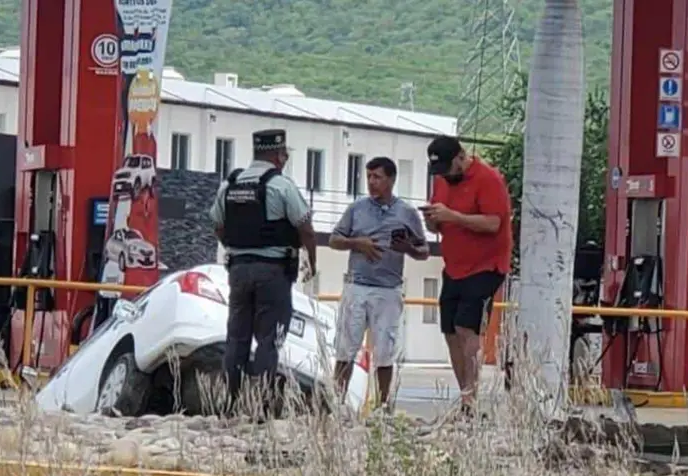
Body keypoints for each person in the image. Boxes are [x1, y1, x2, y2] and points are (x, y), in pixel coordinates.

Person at [208, 129, 317, 419]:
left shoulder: (229, 185)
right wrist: (312, 261)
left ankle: (229, 406)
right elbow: (305, 227)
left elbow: (217, 223)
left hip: (239, 270)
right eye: (285, 154)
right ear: (278, 155)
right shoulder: (281, 186)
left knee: (237, 337)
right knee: (269, 338)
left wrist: (235, 245)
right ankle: (262, 406)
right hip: (274, 271)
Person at [422, 136, 512, 419]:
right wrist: (433, 219)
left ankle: (471, 398)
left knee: (466, 327)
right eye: (440, 172)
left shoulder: (488, 179)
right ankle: (464, 395)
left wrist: (455, 216)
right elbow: (439, 222)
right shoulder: (442, 181)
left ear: (462, 157)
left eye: (449, 168)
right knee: (449, 330)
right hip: (454, 265)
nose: (446, 176)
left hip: (486, 264)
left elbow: (494, 223)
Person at [329, 157, 429, 412]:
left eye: (378, 177)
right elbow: (334, 239)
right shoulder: (357, 209)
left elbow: (424, 250)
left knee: (385, 350)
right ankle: (336, 403)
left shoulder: (406, 213)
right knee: (346, 347)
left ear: (391, 180)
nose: (372, 182)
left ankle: (383, 407)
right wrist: (357, 243)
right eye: (369, 176)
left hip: (388, 288)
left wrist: (407, 248)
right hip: (357, 285)